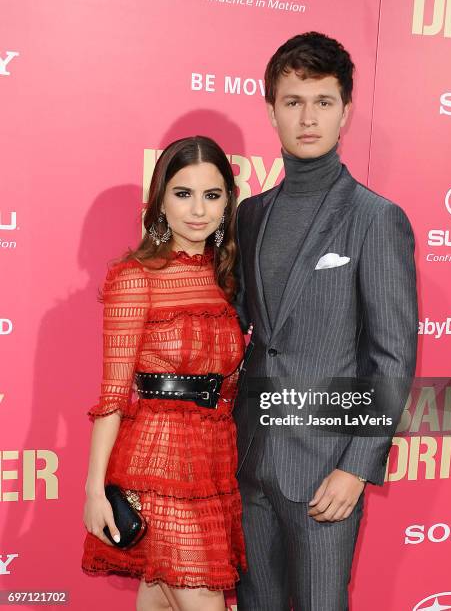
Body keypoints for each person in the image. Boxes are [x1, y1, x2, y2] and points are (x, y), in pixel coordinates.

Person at [233, 32, 418, 610]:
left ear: (346, 111)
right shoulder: (250, 214)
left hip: (325, 471)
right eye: (293, 102)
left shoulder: (375, 219)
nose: (307, 117)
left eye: (323, 101)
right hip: (250, 461)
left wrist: (356, 466)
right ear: (271, 111)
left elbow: (391, 355)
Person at [82, 136, 246, 611]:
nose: (198, 210)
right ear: (159, 201)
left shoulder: (225, 275)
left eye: (212, 195)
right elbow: (113, 395)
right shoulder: (135, 277)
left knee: (159, 599)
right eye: (183, 193)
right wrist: (94, 492)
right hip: (157, 462)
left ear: (227, 203)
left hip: (213, 461)